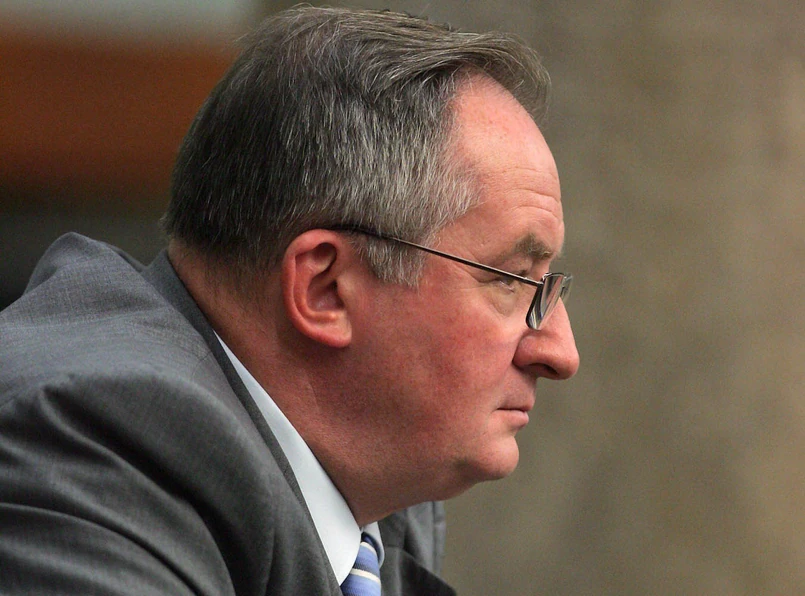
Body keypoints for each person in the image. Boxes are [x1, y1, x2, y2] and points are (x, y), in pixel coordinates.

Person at [0, 6, 579, 595]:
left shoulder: (380, 512)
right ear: (325, 289)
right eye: (512, 280)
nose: (560, 352)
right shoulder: (93, 445)